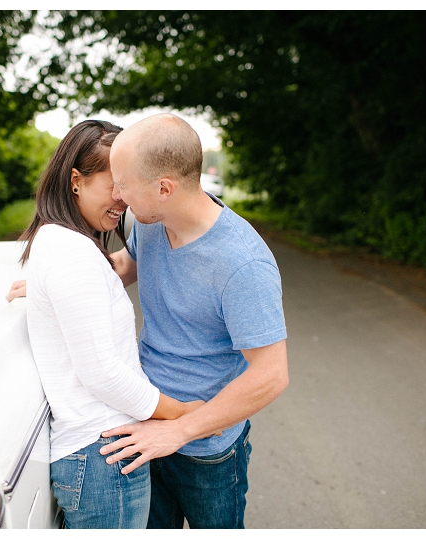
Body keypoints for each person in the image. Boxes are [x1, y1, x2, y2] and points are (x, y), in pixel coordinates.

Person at [97, 113, 289, 529]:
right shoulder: (151, 221)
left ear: (163, 188)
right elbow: (128, 265)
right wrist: (63, 281)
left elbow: (272, 375)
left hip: (207, 448)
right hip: (145, 420)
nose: (115, 194)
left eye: (123, 184)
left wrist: (180, 432)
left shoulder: (243, 263)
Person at [14, 119, 202, 529]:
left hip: (99, 453)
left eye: (127, 185)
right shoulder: (70, 251)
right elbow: (101, 372)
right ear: (76, 180)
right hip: (104, 455)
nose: (123, 200)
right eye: (112, 185)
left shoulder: (62, 244)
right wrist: (181, 413)